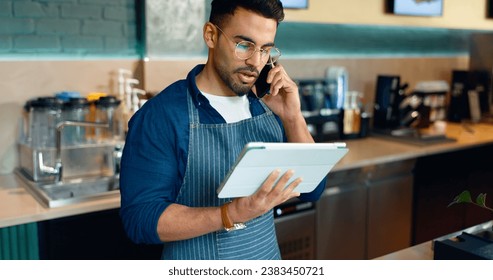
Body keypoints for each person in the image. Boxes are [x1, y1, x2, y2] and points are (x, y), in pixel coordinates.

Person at [119, 0, 326, 260]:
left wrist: (293, 117)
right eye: (244, 45)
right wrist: (230, 214)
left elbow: (312, 190)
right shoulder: (162, 116)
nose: (255, 62)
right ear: (211, 35)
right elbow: (141, 220)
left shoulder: (269, 106)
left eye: (265, 50)